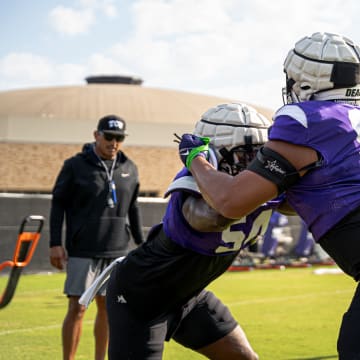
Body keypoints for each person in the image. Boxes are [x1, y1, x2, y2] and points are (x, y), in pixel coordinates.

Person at [177, 32, 360, 359]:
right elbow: (309, 197)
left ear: (304, 83)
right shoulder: (349, 122)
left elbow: (230, 202)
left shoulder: (307, 121)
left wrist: (196, 160)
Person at [104, 102, 279, 359]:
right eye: (245, 154)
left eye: (259, 153)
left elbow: (299, 204)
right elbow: (213, 218)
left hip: (190, 296)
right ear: (218, 152)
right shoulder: (193, 179)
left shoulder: (257, 183)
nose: (254, 162)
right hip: (141, 296)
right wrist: (197, 161)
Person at [49, 114, 144, 360]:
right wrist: (55, 244)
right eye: (109, 137)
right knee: (77, 308)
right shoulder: (75, 165)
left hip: (117, 250)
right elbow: (58, 204)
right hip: (83, 249)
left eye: (119, 138)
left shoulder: (129, 167)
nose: (114, 142)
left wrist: (141, 244)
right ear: (96, 135)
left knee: (109, 309)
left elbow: (133, 208)